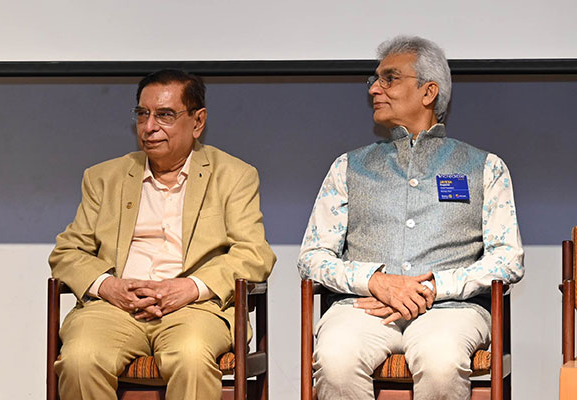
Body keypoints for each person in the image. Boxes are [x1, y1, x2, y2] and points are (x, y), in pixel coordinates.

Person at [297, 36, 524, 400]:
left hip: (452, 309)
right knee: (335, 360)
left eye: (389, 79)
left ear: (428, 92)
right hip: (363, 307)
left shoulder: (485, 167)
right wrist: (375, 281)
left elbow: (507, 259)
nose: (374, 89)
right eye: (375, 80)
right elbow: (312, 257)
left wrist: (431, 288)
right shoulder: (347, 167)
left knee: (441, 362)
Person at [50, 69, 276, 400]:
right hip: (114, 308)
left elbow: (254, 254)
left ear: (198, 121)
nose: (149, 127)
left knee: (191, 356)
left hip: (195, 310)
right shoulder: (104, 177)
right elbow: (67, 252)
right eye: (143, 114)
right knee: (80, 359)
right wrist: (110, 287)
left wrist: (190, 288)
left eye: (165, 115)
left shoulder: (234, 175)